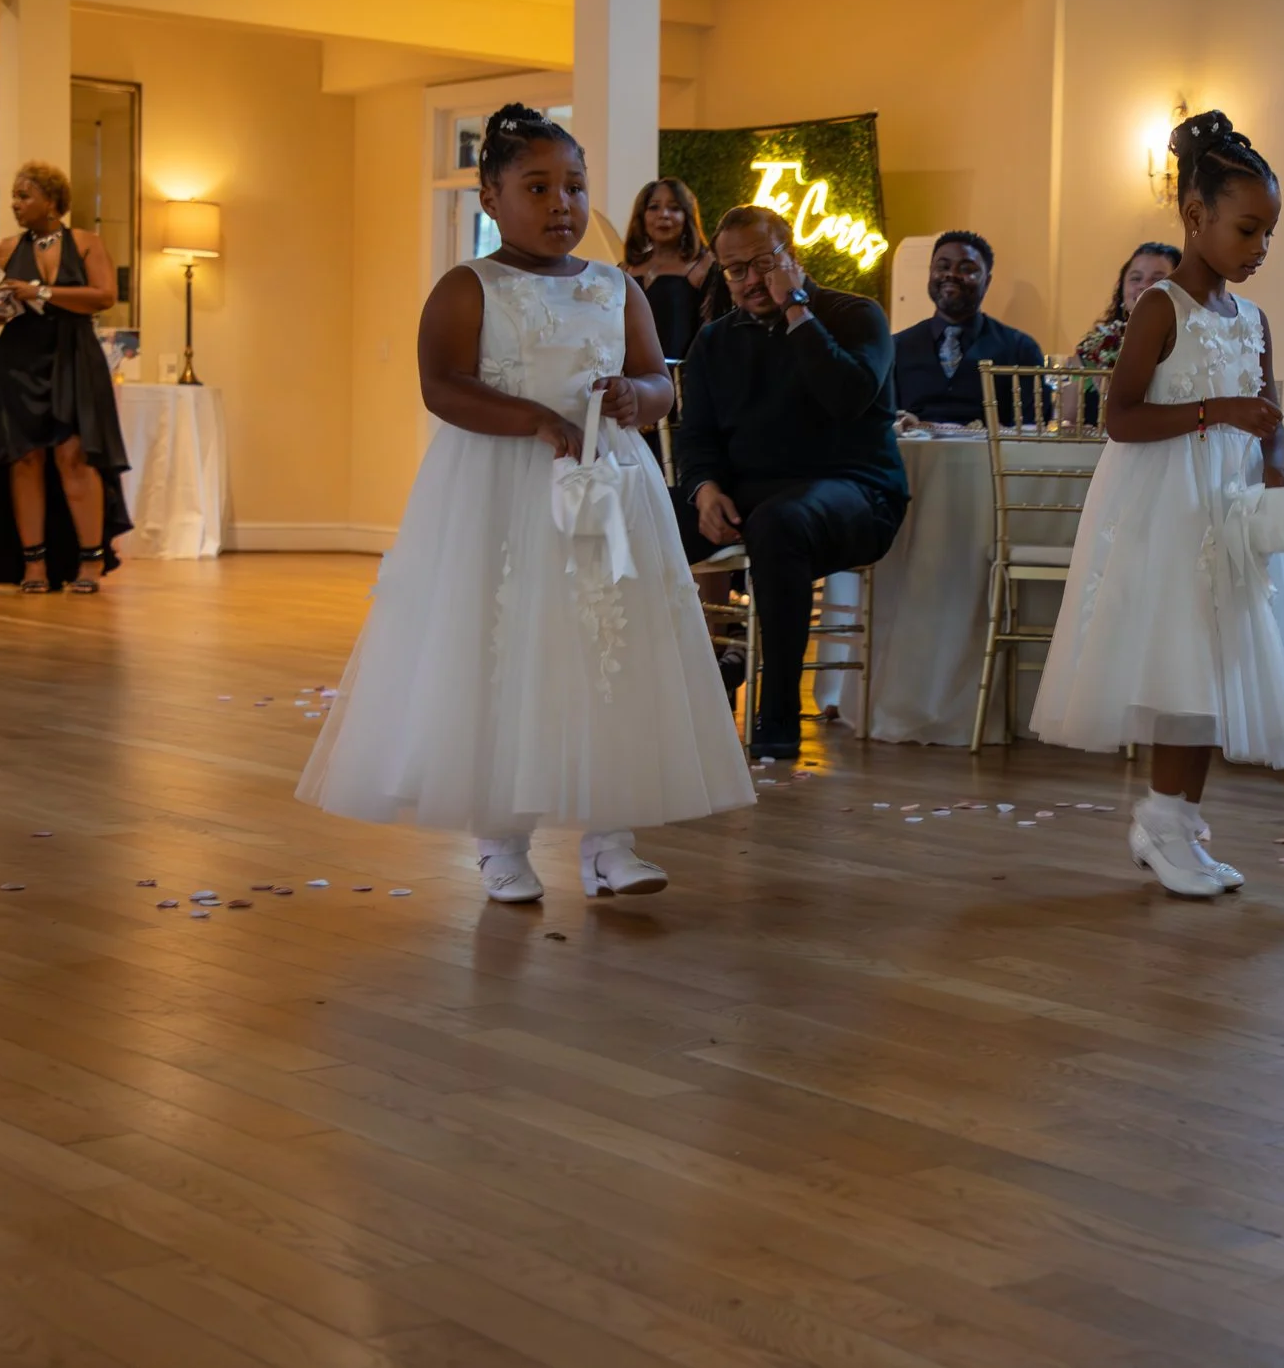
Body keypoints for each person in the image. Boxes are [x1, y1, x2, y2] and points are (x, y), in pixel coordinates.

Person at [298, 104, 750, 905]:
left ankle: (613, 837)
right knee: (502, 650)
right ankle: (500, 840)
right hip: (501, 489)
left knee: (610, 648)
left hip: (608, 491)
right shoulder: (470, 286)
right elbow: (443, 386)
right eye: (536, 187)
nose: (561, 205)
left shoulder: (617, 287)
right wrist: (536, 418)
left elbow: (658, 381)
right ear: (490, 199)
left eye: (573, 186)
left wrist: (633, 396)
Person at [1029, 112, 1284, 898]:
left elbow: (1267, 412)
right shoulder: (1161, 306)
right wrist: (1218, 414)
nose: (1259, 249)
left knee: (1215, 660)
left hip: (1228, 513)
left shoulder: (1253, 320)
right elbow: (1122, 418)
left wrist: (1274, 474)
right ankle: (1162, 820)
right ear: (1195, 218)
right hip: (1167, 508)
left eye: (1268, 233)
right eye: (1246, 229)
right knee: (1180, 661)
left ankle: (1178, 817)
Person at [674, 203, 910, 761]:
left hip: (855, 491)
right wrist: (704, 488)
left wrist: (797, 312)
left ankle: (776, 713)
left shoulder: (857, 315)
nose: (751, 280)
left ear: (792, 257)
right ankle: (659, 696)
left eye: (763, 263)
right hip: (755, 493)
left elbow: (848, 397)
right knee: (638, 513)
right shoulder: (715, 342)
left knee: (779, 524)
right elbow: (697, 436)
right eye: (735, 270)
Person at [0, 162, 132, 593]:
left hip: (73, 356)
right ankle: (34, 563)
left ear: (51, 200)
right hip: (18, 359)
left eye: (24, 195)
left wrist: (41, 292)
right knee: (24, 457)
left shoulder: (87, 243)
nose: (15, 203)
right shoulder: (2, 249)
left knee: (75, 456)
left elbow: (104, 296)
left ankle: (91, 559)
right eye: (14, 196)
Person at [890, 231, 1042, 424]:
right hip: (912, 454)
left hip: (993, 454)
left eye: (966, 269)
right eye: (943, 266)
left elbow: (1032, 429)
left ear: (987, 281)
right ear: (930, 273)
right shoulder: (897, 347)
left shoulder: (1020, 349)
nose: (951, 274)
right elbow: (881, 422)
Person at [621, 176, 723, 362]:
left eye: (674, 208)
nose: (664, 215)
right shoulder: (625, 269)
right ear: (641, 216)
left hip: (682, 380)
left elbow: (714, 334)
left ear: (687, 216)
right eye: (654, 207)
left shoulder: (706, 266)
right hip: (629, 379)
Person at [1072, 241, 1179, 369]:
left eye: (1157, 279)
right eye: (1136, 278)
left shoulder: (1200, 344)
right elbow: (1071, 388)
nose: (1143, 286)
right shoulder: (1094, 350)